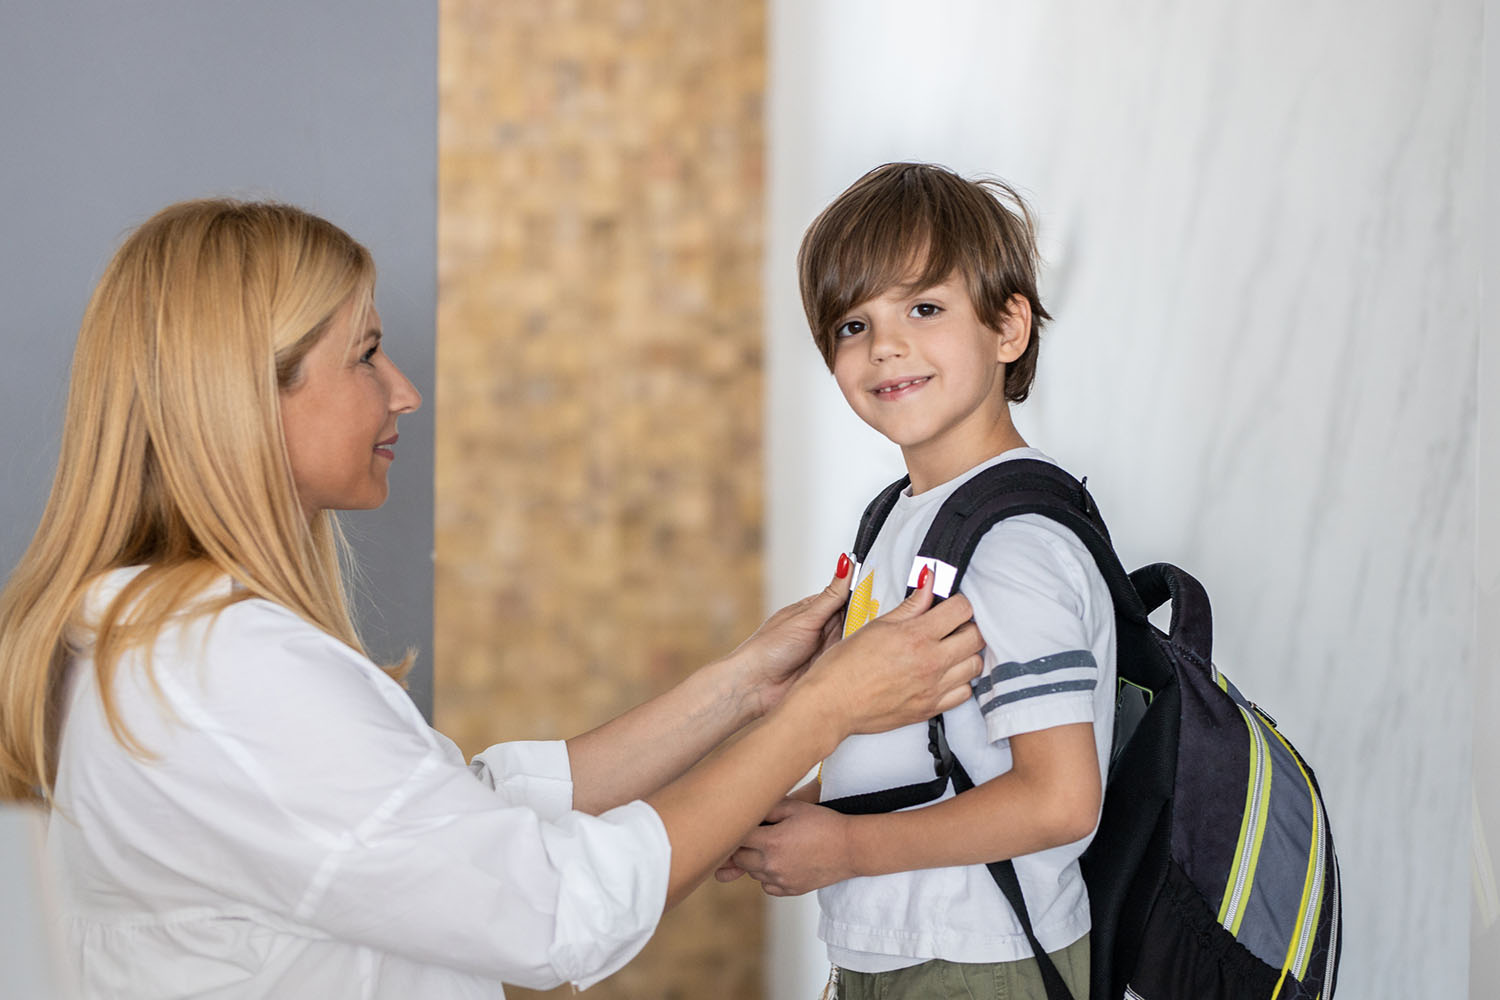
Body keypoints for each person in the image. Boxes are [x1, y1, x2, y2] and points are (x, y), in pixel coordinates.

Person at [0, 198, 986, 999]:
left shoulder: (160, 640)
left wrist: (746, 690)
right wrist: (824, 709)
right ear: (247, 396)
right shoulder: (223, 671)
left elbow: (442, 820)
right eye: (366, 354)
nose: (403, 391)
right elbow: (553, 912)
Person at [718, 163, 1117, 1000]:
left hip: (983, 959)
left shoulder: (1014, 543)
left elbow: (1061, 800)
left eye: (924, 308)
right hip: (890, 952)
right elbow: (908, 741)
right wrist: (794, 808)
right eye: (852, 324)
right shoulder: (903, 515)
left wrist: (849, 848)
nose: (884, 345)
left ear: (1009, 328)